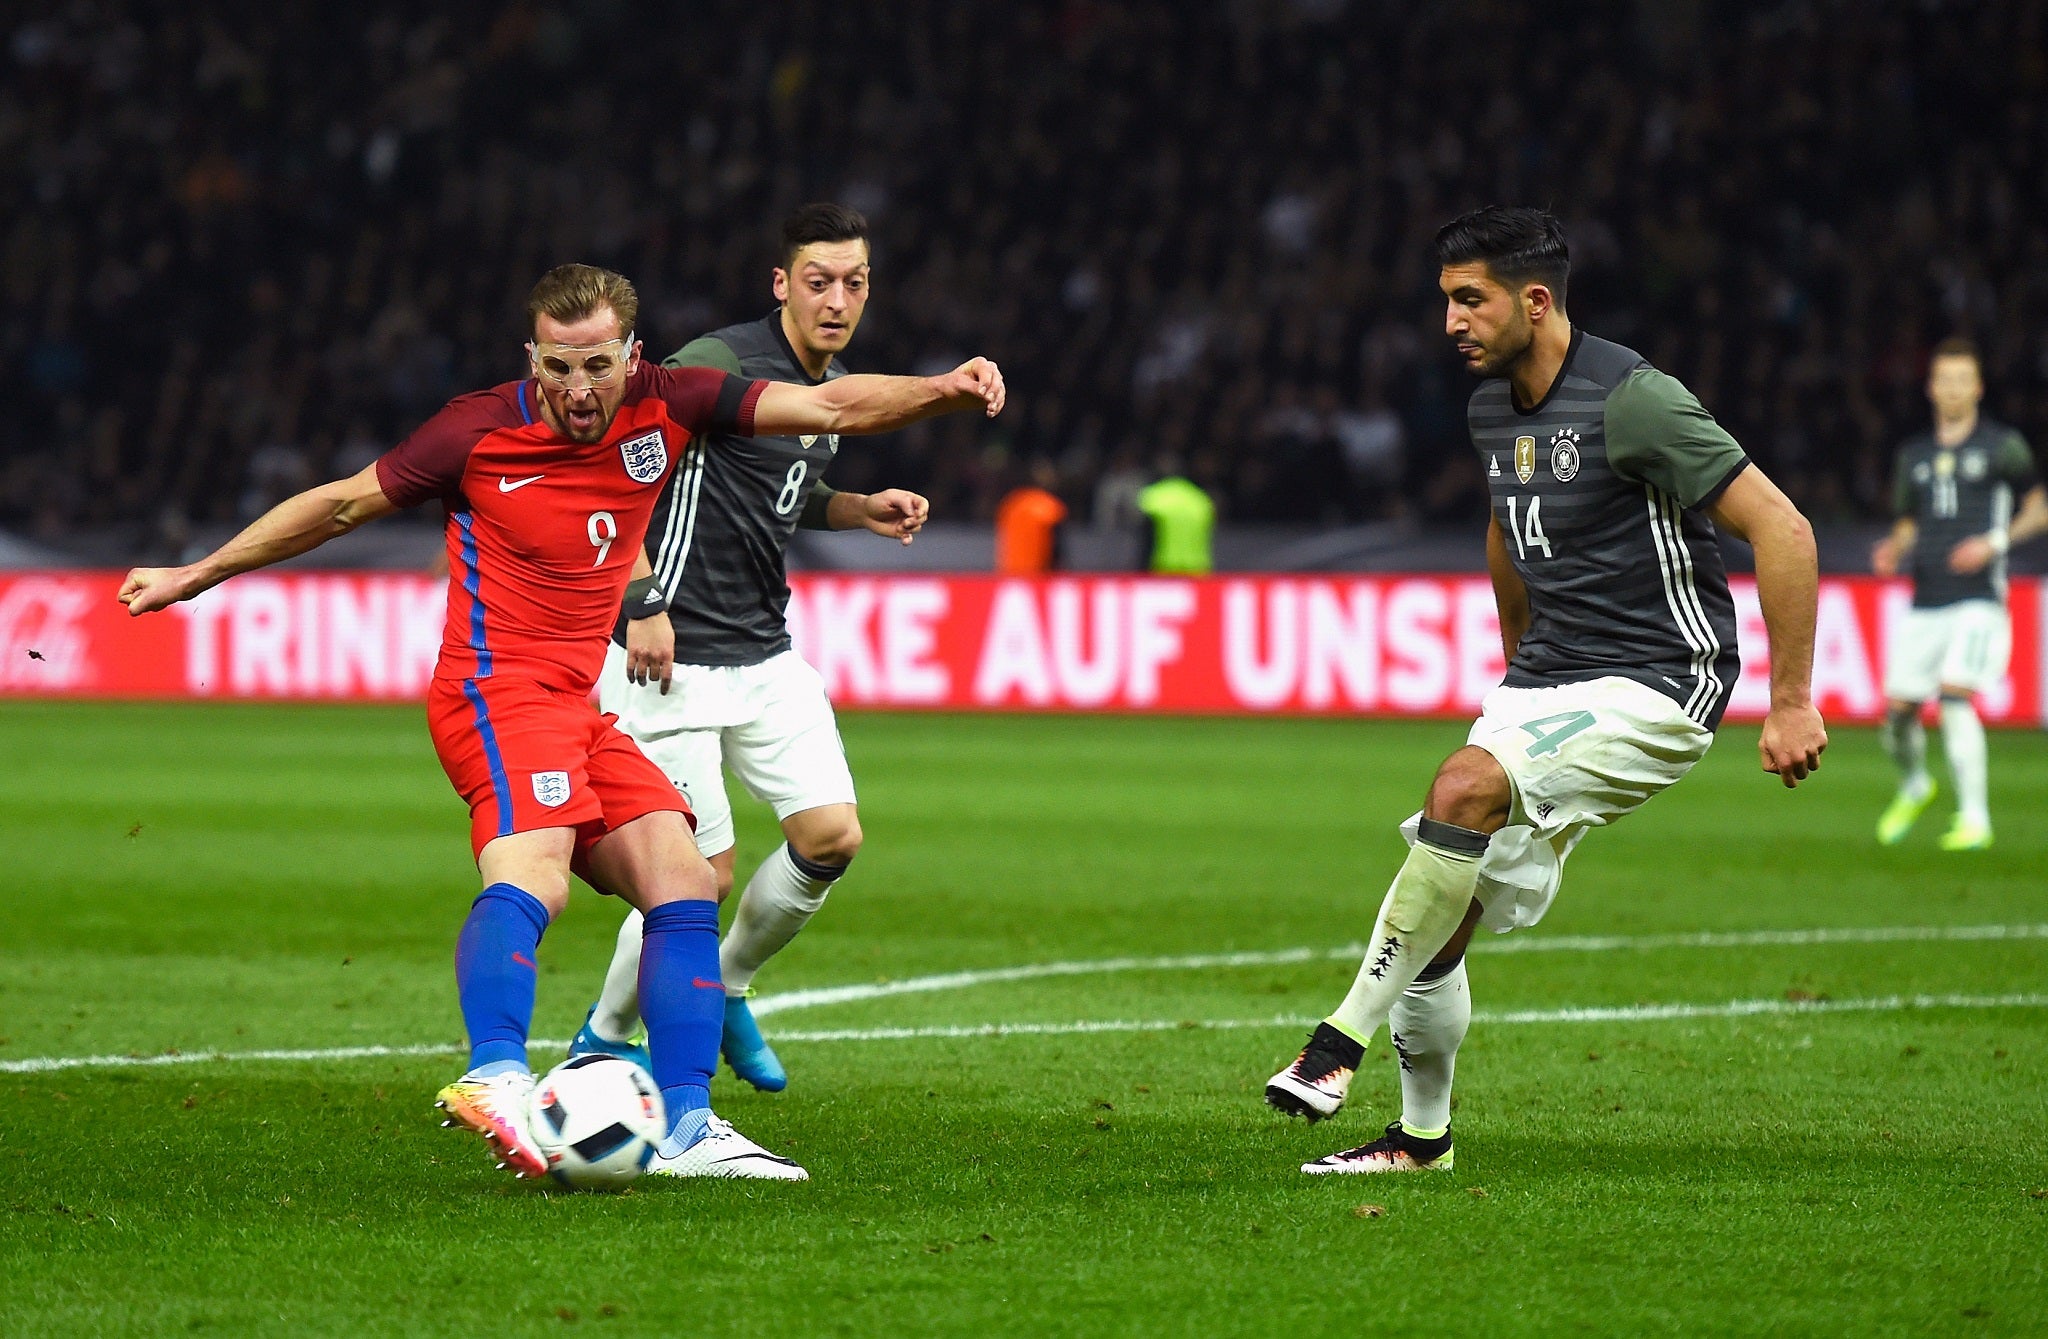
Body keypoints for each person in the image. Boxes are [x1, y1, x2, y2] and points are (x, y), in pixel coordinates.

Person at [118, 264, 1004, 1182]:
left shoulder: (669, 404)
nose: (578, 390)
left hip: (579, 703)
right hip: (494, 692)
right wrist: (195, 574)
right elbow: (341, 503)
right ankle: (496, 1074)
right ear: (530, 357)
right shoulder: (476, 430)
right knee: (536, 880)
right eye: (557, 366)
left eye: (597, 367)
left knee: (683, 877)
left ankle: (689, 1125)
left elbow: (832, 409)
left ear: (633, 354)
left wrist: (942, 391)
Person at [1264, 207, 1827, 1174]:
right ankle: (1420, 1141)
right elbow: (1504, 524)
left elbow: (1784, 528)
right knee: (1444, 910)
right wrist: (1519, 659)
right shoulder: (1488, 407)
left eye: (1469, 299)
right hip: (1548, 681)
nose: (1451, 321)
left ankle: (1333, 1045)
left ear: (1535, 300)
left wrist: (1790, 699)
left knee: (1461, 789)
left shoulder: (1633, 400)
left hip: (1659, 678)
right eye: (1445, 301)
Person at [568, 205, 931, 1091]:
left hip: (766, 654)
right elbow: (609, 475)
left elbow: (787, 494)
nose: (836, 299)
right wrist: (641, 597)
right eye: (818, 281)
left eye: (853, 282)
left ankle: (726, 986)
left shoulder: (828, 390)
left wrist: (856, 506)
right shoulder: (716, 364)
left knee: (831, 835)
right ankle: (604, 1037)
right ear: (781, 284)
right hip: (668, 659)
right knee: (696, 875)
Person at [1870, 338, 2047, 851]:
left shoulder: (2002, 447)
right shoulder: (1915, 456)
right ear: (1931, 388)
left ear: (1977, 387)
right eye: (1943, 380)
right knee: (1897, 712)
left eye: (1961, 380)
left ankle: (1975, 819)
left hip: (1978, 599)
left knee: (1953, 694)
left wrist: (1992, 544)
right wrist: (1893, 549)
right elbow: (1908, 522)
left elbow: (2038, 509)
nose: (1952, 389)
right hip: (1927, 599)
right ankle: (1915, 784)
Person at [1135, 463, 1214, 574]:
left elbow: (1138, 524)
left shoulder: (1155, 496)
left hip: (1165, 566)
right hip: (1197, 568)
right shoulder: (1200, 498)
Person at [994, 459, 1068, 574]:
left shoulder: (1011, 503)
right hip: (1038, 574)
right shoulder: (1048, 505)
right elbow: (1056, 547)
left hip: (1010, 573)